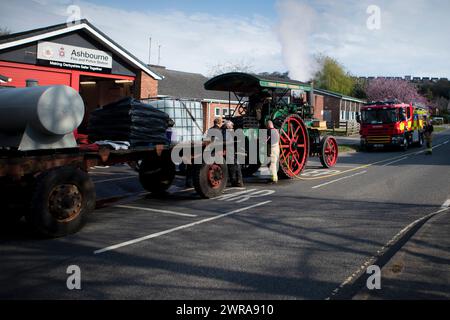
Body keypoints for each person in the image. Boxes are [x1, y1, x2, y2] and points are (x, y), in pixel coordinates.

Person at [223, 121, 244, 187]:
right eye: (231, 126)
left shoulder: (228, 132)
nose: (232, 126)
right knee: (235, 166)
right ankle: (237, 181)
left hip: (231, 150)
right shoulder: (231, 132)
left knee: (232, 166)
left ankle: (236, 181)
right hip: (232, 150)